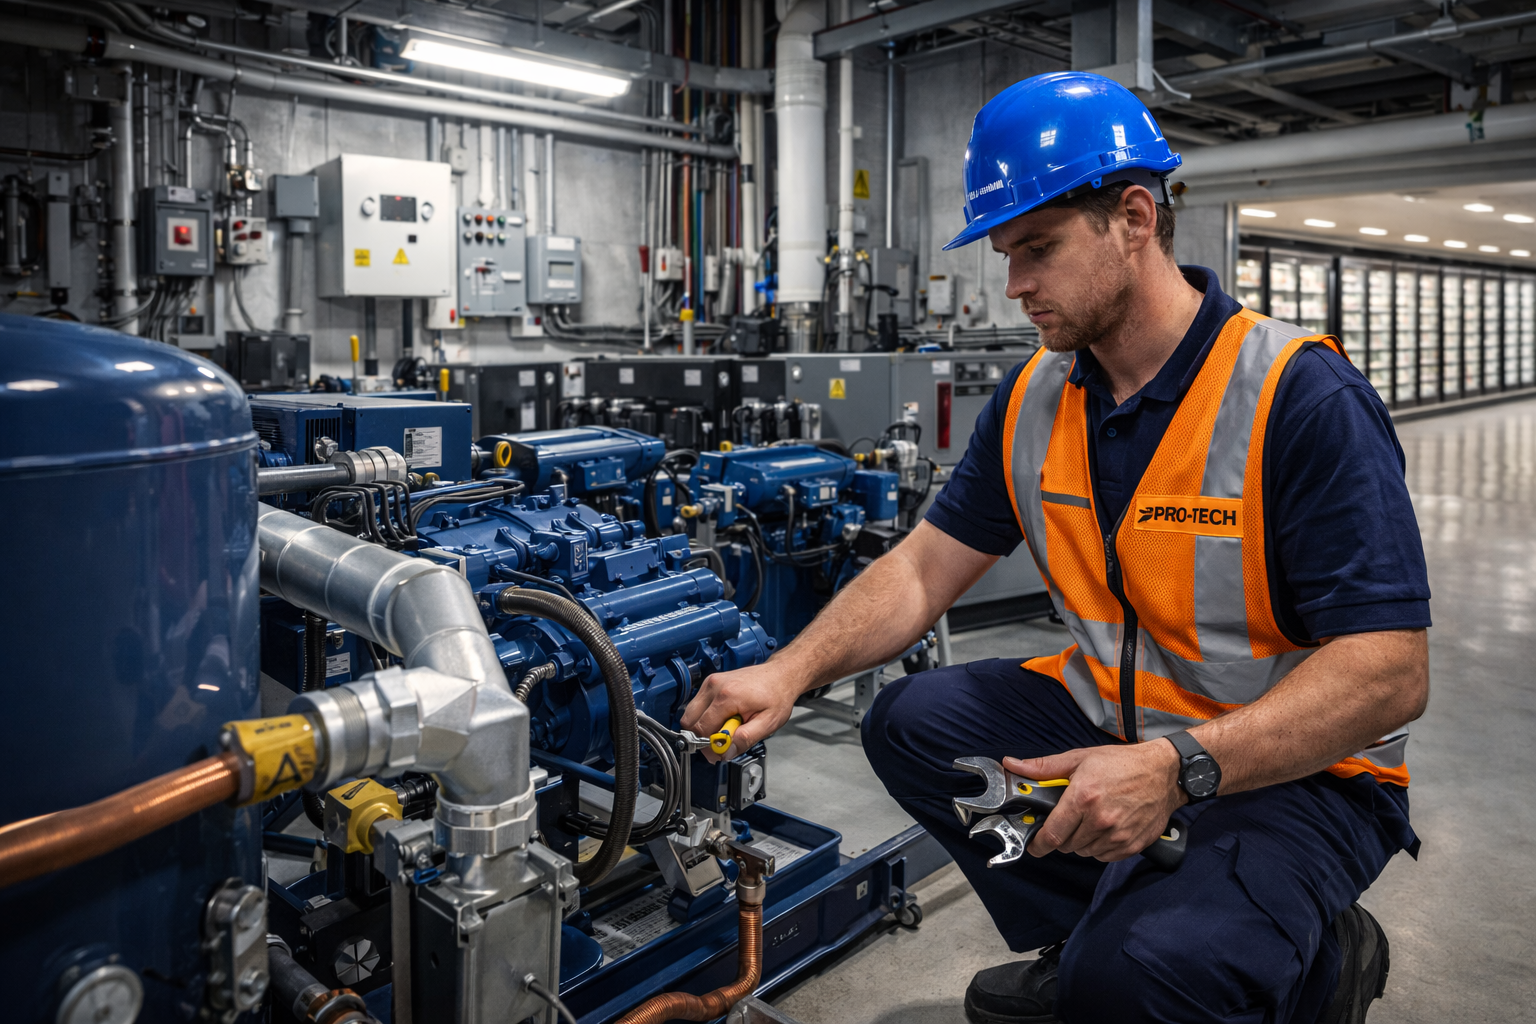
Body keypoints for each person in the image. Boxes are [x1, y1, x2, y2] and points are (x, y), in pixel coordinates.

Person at [682, 71, 1430, 1024]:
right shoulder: (1038, 394)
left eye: (1037, 249)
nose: (1015, 285)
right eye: (1006, 254)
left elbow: (1390, 673)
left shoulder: (1300, 397)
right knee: (914, 725)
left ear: (1134, 217)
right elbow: (924, 565)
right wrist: (789, 672)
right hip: (1123, 725)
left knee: (1144, 980)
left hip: (1294, 769)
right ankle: (1087, 932)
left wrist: (1180, 768)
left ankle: (1319, 964)